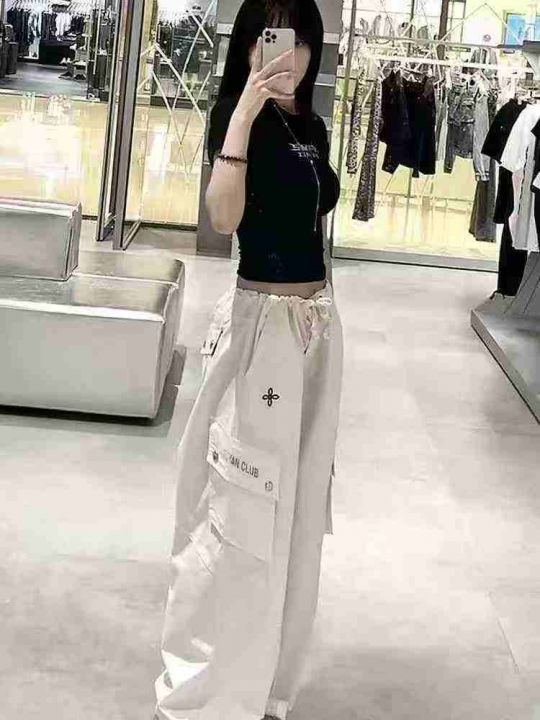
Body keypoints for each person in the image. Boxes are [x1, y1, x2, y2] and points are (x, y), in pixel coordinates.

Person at [153, 1, 344, 719]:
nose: (288, 55)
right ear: (249, 47)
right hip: (260, 327)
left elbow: (312, 219)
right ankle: (211, 689)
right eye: (273, 37)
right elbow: (224, 217)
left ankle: (269, 682)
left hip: (316, 330)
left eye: (300, 41)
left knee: (297, 506)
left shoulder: (313, 127)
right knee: (240, 507)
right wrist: (241, 116)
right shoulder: (239, 119)